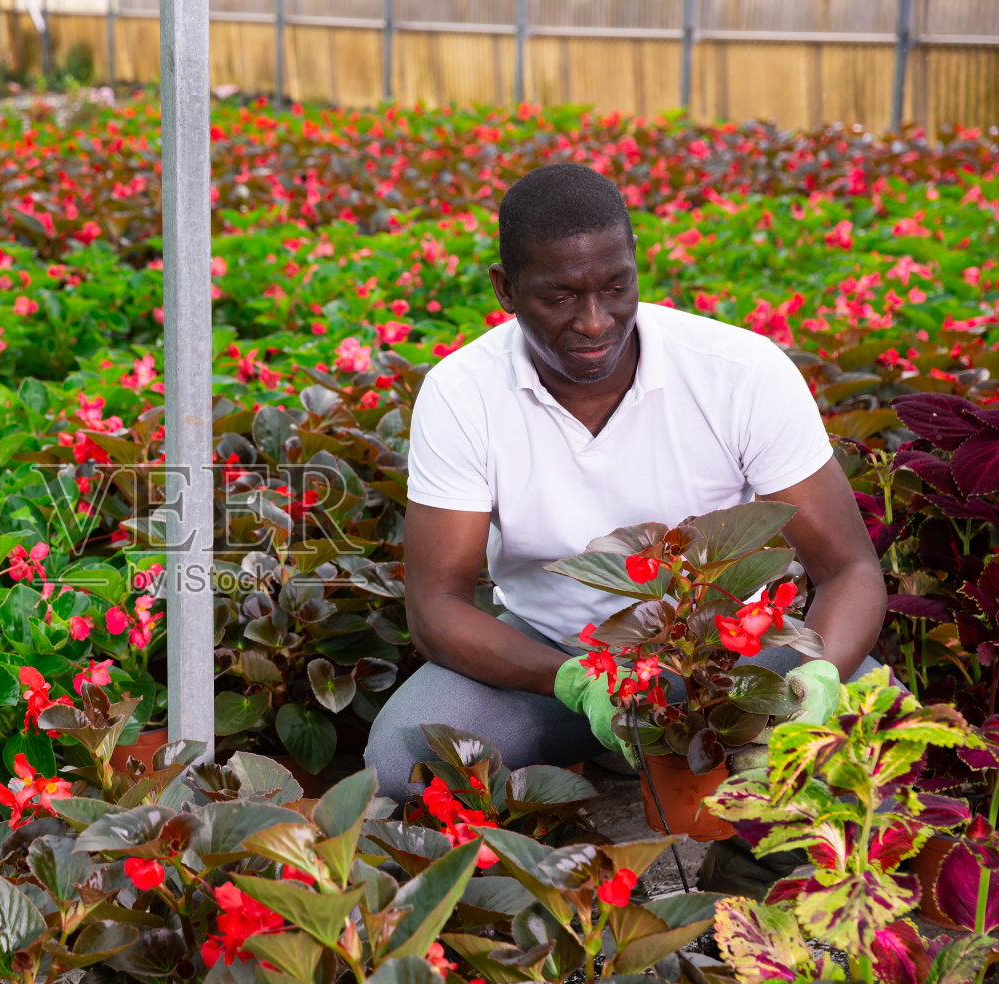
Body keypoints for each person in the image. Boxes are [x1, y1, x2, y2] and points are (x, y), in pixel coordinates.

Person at [365, 163, 888, 889]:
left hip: (725, 664)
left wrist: (822, 671)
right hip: (557, 668)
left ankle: (749, 871)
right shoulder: (464, 393)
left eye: (615, 286)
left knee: (875, 719)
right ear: (504, 289)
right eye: (560, 295)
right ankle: (596, 776)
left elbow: (849, 568)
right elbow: (436, 606)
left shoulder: (738, 370)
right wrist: (576, 681)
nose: (594, 319)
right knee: (401, 756)